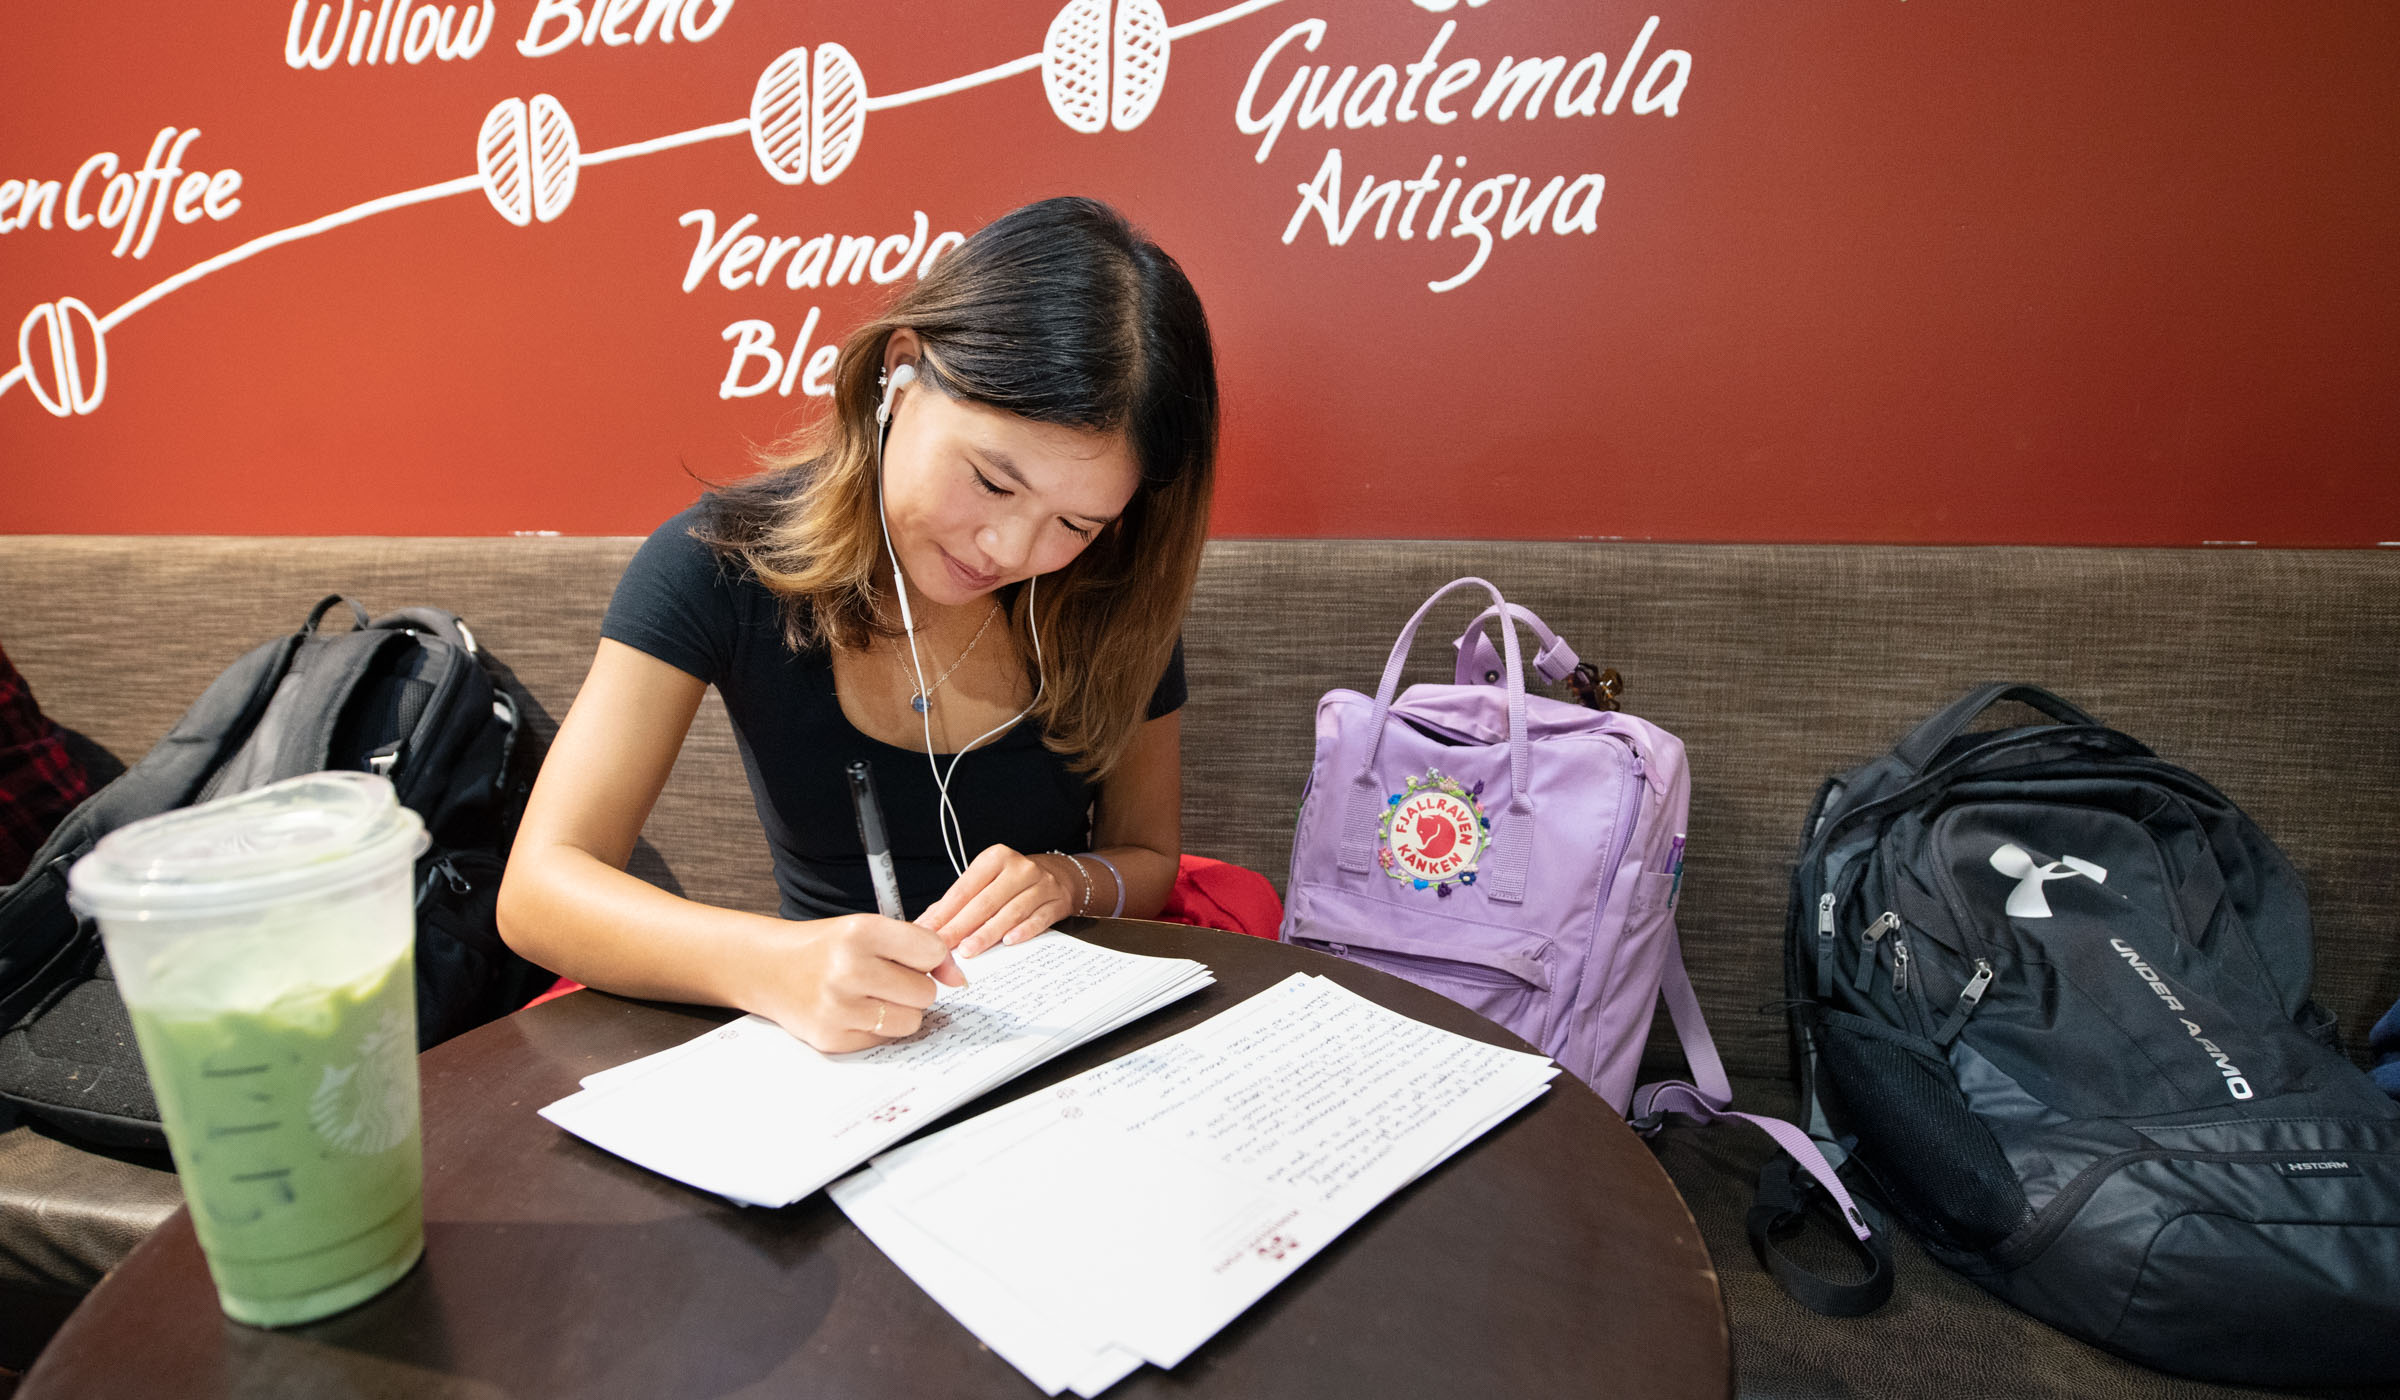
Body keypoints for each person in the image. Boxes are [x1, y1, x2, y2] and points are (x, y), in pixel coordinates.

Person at [496, 197, 1217, 1055]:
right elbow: (539, 890)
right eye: (992, 482)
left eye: (1076, 523)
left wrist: (1065, 881)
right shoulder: (719, 565)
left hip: (1061, 1036)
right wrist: (776, 962)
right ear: (901, 372)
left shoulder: (1110, 587)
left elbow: (1146, 858)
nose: (1010, 548)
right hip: (830, 1048)